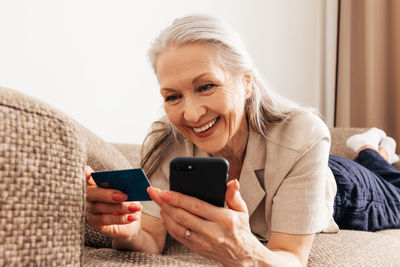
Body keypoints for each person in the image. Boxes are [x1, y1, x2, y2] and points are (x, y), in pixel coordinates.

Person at [85, 15, 400, 266]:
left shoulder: (303, 133)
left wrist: (245, 252)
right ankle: (373, 150)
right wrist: (127, 233)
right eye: (173, 96)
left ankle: (371, 148)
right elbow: (150, 238)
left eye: (206, 86)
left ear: (246, 82)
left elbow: (290, 257)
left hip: (345, 190)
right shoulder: (166, 140)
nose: (191, 114)